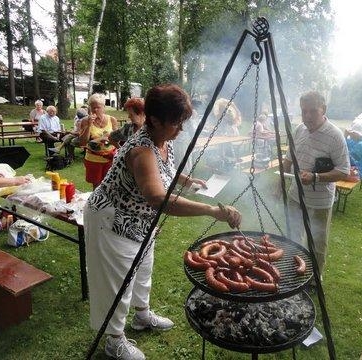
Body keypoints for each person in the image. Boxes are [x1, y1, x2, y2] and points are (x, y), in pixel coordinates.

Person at [84, 84, 242, 360]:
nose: (180, 129)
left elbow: (164, 167)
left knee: (143, 269)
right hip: (112, 220)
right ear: (154, 120)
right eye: (176, 123)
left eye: (183, 122)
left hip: (142, 221)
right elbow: (158, 197)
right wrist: (211, 211)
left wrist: (187, 180)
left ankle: (142, 316)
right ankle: (113, 340)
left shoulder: (162, 138)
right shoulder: (140, 149)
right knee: (118, 280)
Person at [282, 91, 350, 278]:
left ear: (324, 110)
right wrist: (278, 180)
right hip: (295, 195)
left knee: (317, 242)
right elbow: (289, 159)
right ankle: (291, 268)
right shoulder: (299, 130)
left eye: (313, 111)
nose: (308, 116)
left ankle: (315, 277)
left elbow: (344, 170)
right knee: (292, 235)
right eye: (304, 111)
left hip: (320, 201)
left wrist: (315, 177)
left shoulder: (335, 136)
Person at [78, 93, 118, 189]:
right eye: (92, 107)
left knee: (111, 185)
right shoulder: (84, 121)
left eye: (98, 107)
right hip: (93, 159)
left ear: (104, 107)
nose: (95, 110)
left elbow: (117, 139)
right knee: (97, 187)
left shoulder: (112, 120)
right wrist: (88, 125)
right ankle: (96, 203)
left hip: (110, 157)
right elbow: (82, 142)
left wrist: (110, 139)